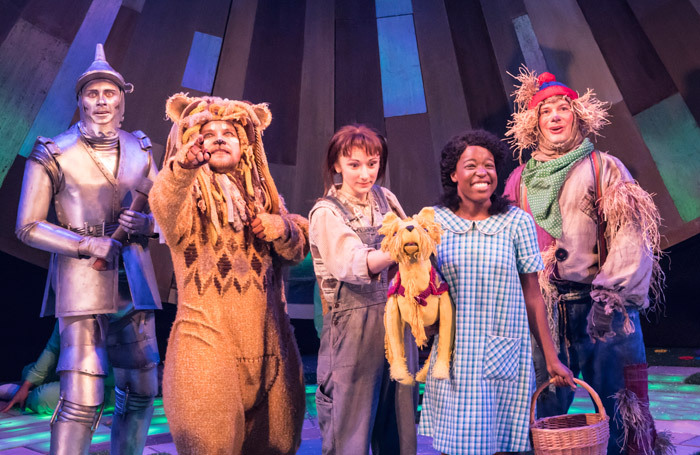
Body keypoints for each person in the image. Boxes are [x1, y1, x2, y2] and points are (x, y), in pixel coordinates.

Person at [503, 69, 668, 455]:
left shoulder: (604, 167)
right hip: (545, 311)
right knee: (539, 410)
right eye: (546, 112)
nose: (556, 117)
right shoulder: (519, 180)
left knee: (619, 406)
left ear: (577, 116)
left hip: (600, 309)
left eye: (563, 109)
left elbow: (630, 233)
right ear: (536, 123)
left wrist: (610, 297)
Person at [14, 44, 161, 455]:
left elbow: (170, 212)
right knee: (82, 396)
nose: (101, 102)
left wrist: (148, 224)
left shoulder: (143, 149)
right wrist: (84, 242)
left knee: (143, 387)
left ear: (122, 99)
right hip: (82, 278)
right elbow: (26, 226)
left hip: (134, 279)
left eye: (109, 93)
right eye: (92, 93)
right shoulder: (54, 152)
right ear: (79, 100)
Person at [150, 93, 308, 455]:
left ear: (247, 146)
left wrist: (282, 227)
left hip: (271, 346)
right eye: (208, 133)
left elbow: (296, 249)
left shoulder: (264, 196)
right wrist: (182, 169)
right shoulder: (189, 196)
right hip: (206, 342)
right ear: (191, 140)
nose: (220, 138)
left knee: (277, 445)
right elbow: (165, 208)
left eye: (229, 133)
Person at [417, 129, 574, 455]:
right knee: (456, 445)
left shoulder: (516, 222)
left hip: (505, 355)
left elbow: (533, 295)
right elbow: (416, 282)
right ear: (453, 174)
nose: (482, 173)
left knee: (504, 444)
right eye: (471, 165)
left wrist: (551, 357)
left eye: (488, 165)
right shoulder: (434, 223)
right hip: (453, 357)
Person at [309, 124, 418, 455]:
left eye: (372, 163)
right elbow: (350, 262)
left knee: (399, 424)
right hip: (353, 329)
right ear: (337, 165)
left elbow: (412, 236)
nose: (365, 173)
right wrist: (397, 250)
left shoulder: (385, 199)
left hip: (398, 322)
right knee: (350, 429)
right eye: (354, 164)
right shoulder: (326, 212)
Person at [0, 322, 116, 415]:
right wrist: (27, 384)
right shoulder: (72, 305)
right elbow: (53, 349)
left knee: (41, 397)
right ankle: (22, 392)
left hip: (104, 383)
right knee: (28, 372)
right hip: (75, 369)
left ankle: (25, 397)